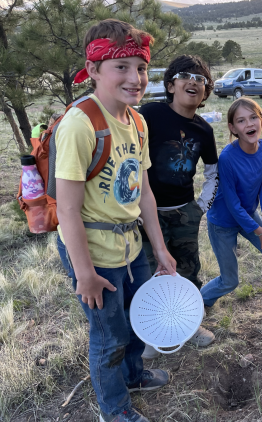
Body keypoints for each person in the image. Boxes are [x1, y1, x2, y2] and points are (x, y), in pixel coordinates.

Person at [55, 19, 177, 422]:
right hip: (92, 251)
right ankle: (114, 407)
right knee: (109, 336)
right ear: (93, 71)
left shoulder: (137, 122)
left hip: (131, 246)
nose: (135, 78)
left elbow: (142, 192)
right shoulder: (81, 124)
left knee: (136, 320)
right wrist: (84, 273)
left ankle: (135, 375)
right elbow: (68, 210)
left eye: (140, 68)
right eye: (120, 67)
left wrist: (159, 248)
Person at [138, 55, 219, 359]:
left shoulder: (204, 131)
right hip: (146, 213)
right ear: (171, 85)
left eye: (201, 79)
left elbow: (213, 172)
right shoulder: (150, 114)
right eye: (186, 76)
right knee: (148, 270)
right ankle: (150, 333)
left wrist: (201, 207)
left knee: (187, 269)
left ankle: (190, 325)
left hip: (185, 210)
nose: (194, 82)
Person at [200, 97, 262, 318]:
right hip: (223, 222)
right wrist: (260, 232)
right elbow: (232, 205)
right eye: (241, 121)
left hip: (248, 215)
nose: (249, 124)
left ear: (261, 121)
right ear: (233, 128)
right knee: (229, 281)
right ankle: (197, 302)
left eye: (253, 118)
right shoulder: (227, 158)